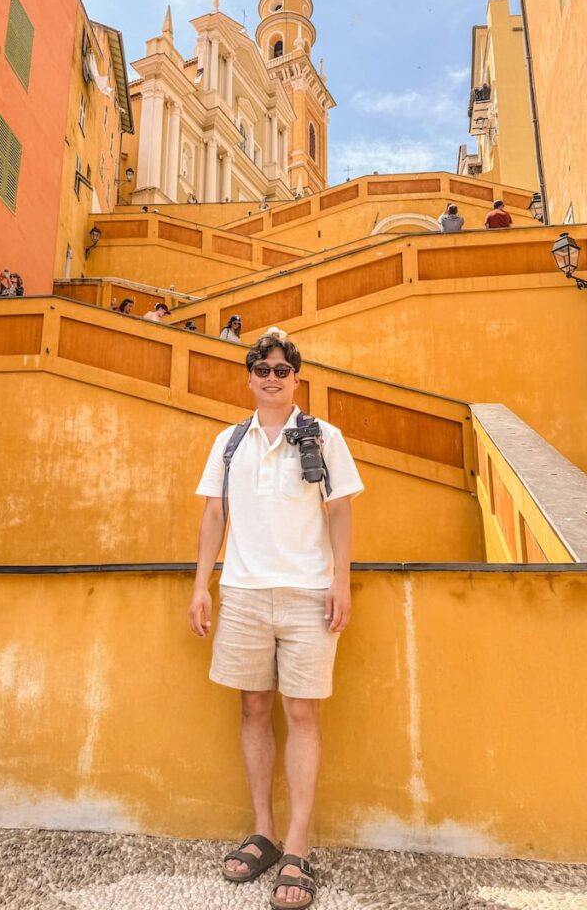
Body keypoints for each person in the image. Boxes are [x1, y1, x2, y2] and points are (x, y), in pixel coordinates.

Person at [189, 335, 363, 910]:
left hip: (308, 594)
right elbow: (214, 514)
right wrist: (202, 585)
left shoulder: (324, 437)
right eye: (262, 369)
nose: (271, 377)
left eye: (282, 369)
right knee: (254, 707)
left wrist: (341, 581)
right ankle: (264, 830)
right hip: (241, 592)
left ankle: (298, 845)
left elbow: (340, 513)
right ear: (249, 376)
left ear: (297, 377)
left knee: (301, 711)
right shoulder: (229, 442)